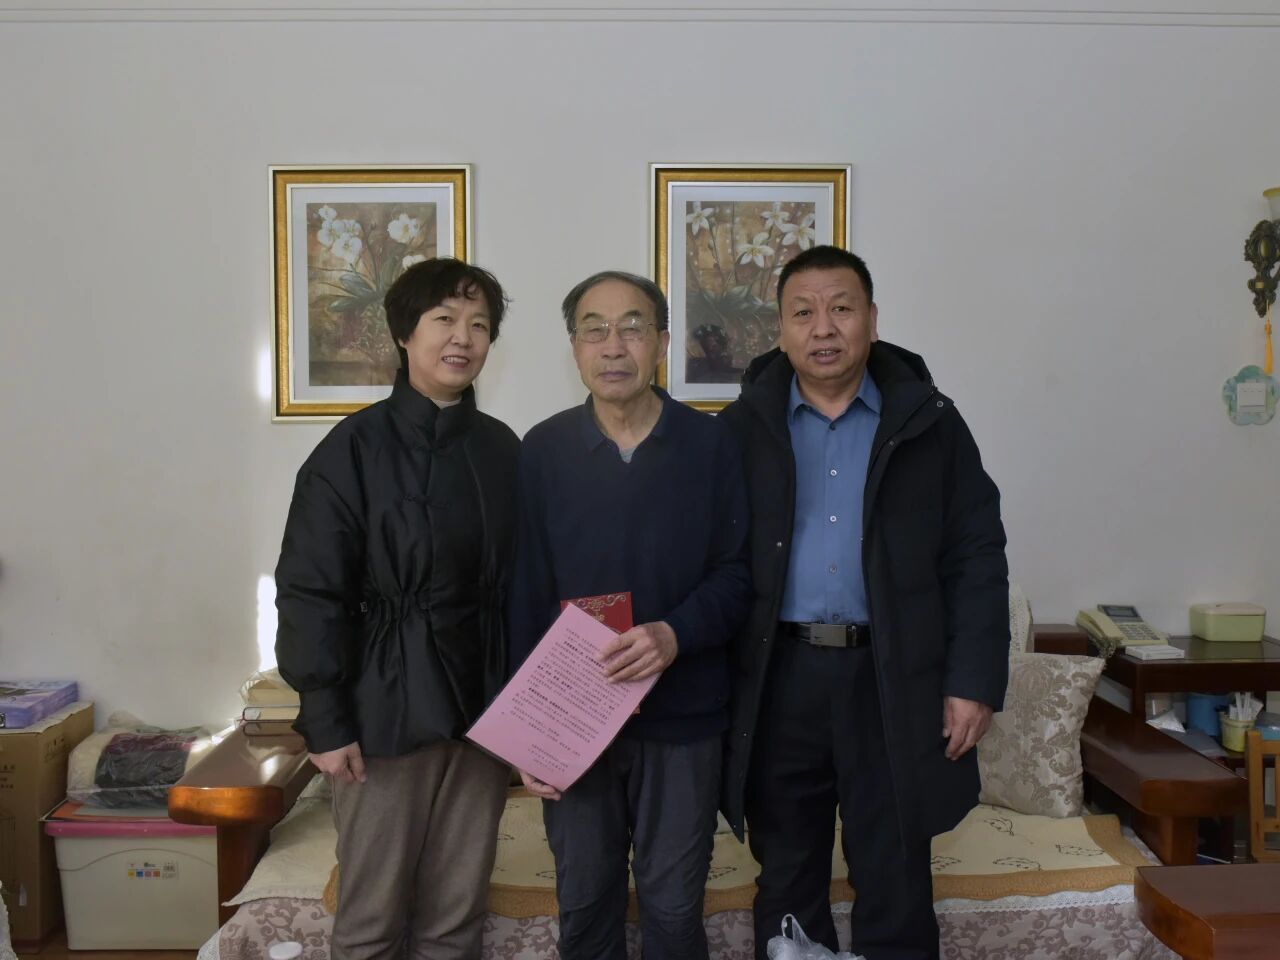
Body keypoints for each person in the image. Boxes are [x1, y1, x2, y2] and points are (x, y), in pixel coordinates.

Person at [718, 245, 1009, 960]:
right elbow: (712, 564)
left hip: (892, 676)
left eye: (841, 309)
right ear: (781, 329)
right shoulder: (740, 429)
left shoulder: (930, 424)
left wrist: (972, 682)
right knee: (786, 876)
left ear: (872, 320)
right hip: (779, 678)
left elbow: (975, 556)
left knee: (896, 874)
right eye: (803, 312)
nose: (823, 328)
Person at [274, 258, 520, 960]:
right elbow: (310, 592)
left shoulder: (502, 449)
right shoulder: (349, 450)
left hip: (481, 714)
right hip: (381, 712)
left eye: (479, 324)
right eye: (444, 319)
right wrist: (325, 719)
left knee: (456, 917)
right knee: (372, 920)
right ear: (404, 333)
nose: (463, 338)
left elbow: (523, 584)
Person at [507, 270, 751, 960]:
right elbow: (523, 593)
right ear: (575, 348)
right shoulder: (543, 451)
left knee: (673, 910)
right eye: (595, 329)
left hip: (683, 719)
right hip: (573, 721)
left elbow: (739, 576)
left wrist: (675, 634)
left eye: (633, 327)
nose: (614, 346)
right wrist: (527, 734)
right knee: (585, 907)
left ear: (663, 343)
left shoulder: (711, 447)